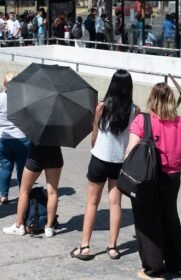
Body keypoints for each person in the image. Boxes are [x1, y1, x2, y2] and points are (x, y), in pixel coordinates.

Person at [126, 83, 181, 279]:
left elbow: (130, 152)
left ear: (152, 99)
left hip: (148, 178)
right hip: (172, 176)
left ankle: (154, 268)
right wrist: (179, 164)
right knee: (170, 217)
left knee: (147, 221)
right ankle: (177, 264)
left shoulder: (142, 120)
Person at [70, 69, 139, 260]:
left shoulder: (101, 107)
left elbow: (94, 134)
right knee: (115, 203)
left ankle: (84, 247)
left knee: (92, 202)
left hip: (100, 159)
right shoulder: (134, 110)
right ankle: (113, 247)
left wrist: (97, 146)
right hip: (120, 163)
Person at [0, 71, 31, 204]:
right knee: (22, 167)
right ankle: (23, 195)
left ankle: (4, 195)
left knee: (5, 166)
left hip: (3, 138)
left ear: (5, 84)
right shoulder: (25, 98)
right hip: (22, 138)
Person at [3, 142, 63, 237]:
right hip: (55, 153)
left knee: (24, 191)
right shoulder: (59, 126)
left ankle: (19, 225)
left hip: (36, 153)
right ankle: (49, 227)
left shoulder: (36, 127)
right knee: (53, 192)